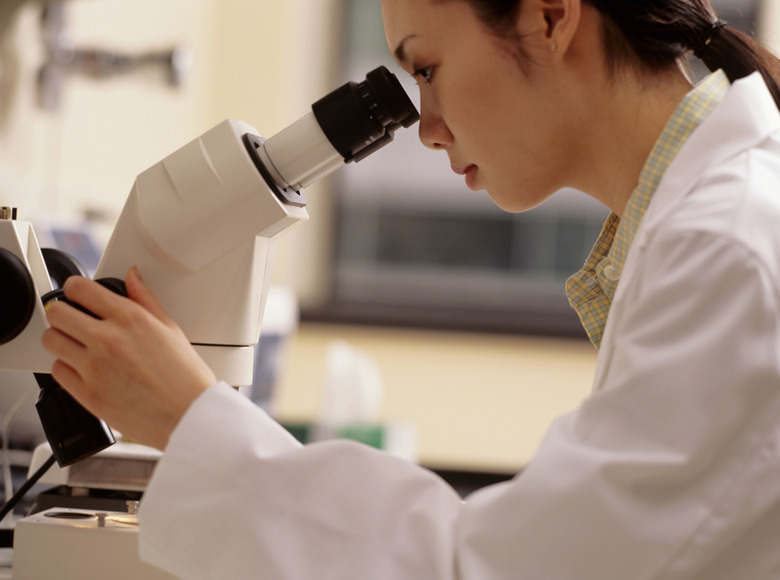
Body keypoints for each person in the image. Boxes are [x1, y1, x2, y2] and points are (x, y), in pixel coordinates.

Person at [41, 0, 780, 577]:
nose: (426, 129)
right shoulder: (710, 228)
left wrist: (191, 418)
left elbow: (489, 573)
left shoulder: (726, 253)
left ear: (550, 18)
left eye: (426, 70)